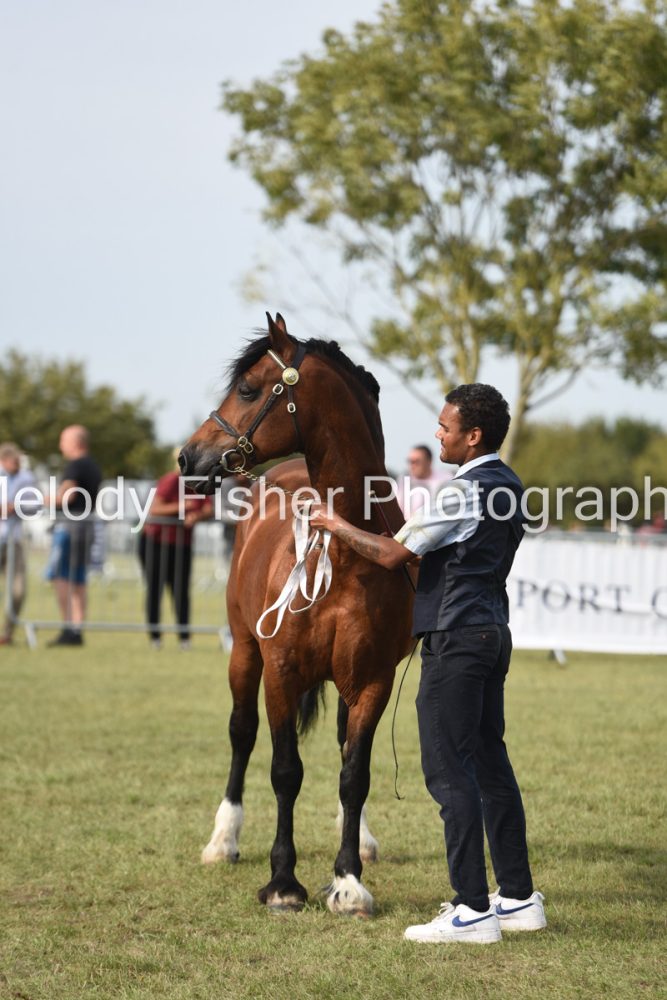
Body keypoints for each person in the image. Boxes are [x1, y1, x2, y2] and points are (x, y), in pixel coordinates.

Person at [310, 383, 545, 944]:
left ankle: (471, 909)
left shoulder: (461, 491)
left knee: (448, 772)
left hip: (456, 637)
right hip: (492, 631)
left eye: (445, 426)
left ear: (473, 435)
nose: (437, 434)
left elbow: (394, 553)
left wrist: (334, 524)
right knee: (490, 764)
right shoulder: (510, 483)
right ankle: (517, 898)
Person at [138, 459, 212, 649]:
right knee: (155, 589)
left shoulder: (199, 482)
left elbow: (208, 508)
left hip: (181, 545)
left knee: (181, 592)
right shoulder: (171, 480)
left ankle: (184, 638)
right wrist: (183, 507)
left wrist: (197, 515)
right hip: (156, 543)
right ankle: (155, 637)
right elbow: (154, 509)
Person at [46, 425, 102, 647]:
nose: (61, 445)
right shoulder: (93, 466)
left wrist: (38, 500)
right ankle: (77, 630)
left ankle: (68, 627)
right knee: (79, 579)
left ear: (76, 443)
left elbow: (66, 497)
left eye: (64, 440)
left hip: (70, 528)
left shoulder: (75, 465)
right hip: (86, 527)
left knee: (62, 577)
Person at [0, 443, 39, 645]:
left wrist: (16, 506)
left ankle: (7, 632)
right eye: (13, 461)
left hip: (14, 539)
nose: (17, 465)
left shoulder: (26, 478)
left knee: (18, 590)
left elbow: (36, 505)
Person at [397, 443, 456, 517]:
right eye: (410, 461)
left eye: (416, 462)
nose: (412, 466)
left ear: (429, 461)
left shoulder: (446, 479)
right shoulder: (404, 481)